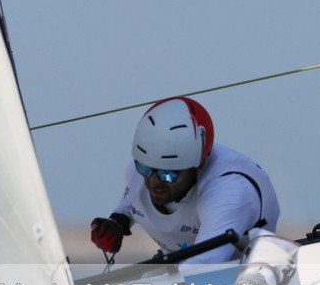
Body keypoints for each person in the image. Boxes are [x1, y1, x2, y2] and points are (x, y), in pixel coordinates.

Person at [91, 96, 280, 263]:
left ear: (197, 165)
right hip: (180, 261)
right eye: (146, 169)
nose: (154, 183)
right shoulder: (137, 172)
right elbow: (133, 195)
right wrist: (118, 220)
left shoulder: (228, 193)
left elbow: (201, 268)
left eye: (168, 174)